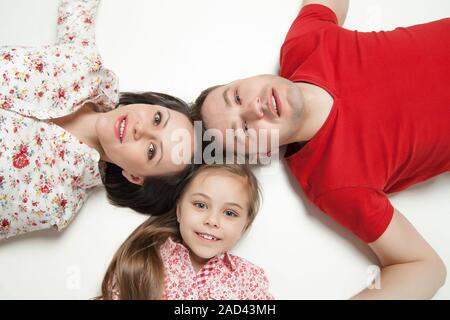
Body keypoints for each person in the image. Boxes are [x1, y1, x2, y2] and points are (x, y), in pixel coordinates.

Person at [190, 0, 450, 299]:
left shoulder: (306, 43)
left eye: (236, 96)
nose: (252, 108)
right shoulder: (334, 183)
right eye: (244, 131)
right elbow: (425, 268)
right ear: (263, 154)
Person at [0, 0, 196, 239]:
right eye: (157, 118)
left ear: (134, 176)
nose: (141, 129)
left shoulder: (52, 203)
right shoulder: (83, 64)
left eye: (152, 150)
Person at [99, 164, 273, 300]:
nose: (212, 221)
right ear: (179, 210)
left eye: (229, 213)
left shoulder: (250, 280)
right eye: (200, 205)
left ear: (245, 226)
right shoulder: (143, 262)